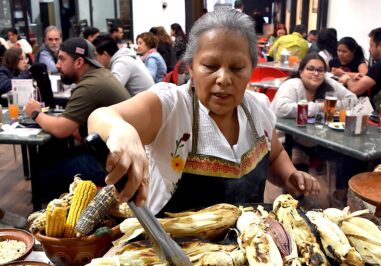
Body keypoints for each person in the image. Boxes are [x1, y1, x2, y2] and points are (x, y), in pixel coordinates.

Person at [87, 9, 319, 215]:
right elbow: (101, 116)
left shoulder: (258, 108)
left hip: (249, 250)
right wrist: (121, 131)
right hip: (175, 253)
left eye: (237, 68)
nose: (224, 79)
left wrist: (290, 175)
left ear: (251, 70)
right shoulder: (173, 106)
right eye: (210, 66)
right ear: (190, 66)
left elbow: (275, 155)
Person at [25, 37, 130, 200]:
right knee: (53, 156)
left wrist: (35, 113)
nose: (57, 65)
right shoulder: (100, 75)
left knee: (45, 171)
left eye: (61, 59)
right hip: (119, 153)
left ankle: (55, 218)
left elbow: (61, 129)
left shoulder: (90, 85)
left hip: (115, 163)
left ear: (79, 62)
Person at [271, 53, 358, 207]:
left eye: (320, 70)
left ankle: (340, 196)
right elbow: (281, 109)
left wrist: (332, 105)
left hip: (318, 139)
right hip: (288, 141)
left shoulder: (328, 83)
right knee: (299, 180)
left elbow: (352, 99)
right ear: (301, 71)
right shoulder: (293, 85)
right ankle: (292, 207)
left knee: (350, 154)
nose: (316, 73)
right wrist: (318, 107)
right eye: (310, 69)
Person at [341, 27, 381, 103]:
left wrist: (347, 79)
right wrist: (365, 77)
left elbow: (355, 89)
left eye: (371, 45)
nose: (369, 49)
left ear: (380, 46)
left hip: (379, 111)